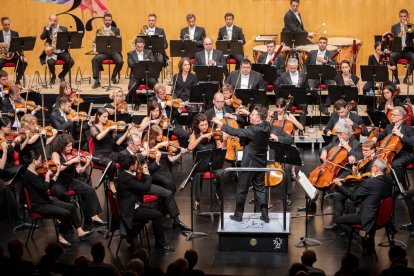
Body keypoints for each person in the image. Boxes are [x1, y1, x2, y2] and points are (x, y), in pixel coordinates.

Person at [21, 150, 93, 246]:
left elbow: (49, 186)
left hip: (46, 201)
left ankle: (80, 231)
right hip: (39, 206)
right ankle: (60, 235)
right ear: (34, 161)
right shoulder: (28, 175)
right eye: (40, 160)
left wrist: (56, 173)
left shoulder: (36, 172)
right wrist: (47, 176)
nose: (42, 162)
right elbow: (44, 189)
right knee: (65, 214)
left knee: (71, 207)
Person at [212, 106, 271, 222]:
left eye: (253, 115)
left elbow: (236, 131)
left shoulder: (253, 130)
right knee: (260, 189)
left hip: (249, 164)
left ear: (258, 119)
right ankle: (265, 215)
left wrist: (220, 123)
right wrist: (249, 112)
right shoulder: (267, 125)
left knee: (242, 189)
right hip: (261, 163)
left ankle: (238, 215)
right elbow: (256, 122)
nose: (250, 116)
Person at [120, 134, 190, 231]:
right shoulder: (123, 154)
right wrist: (141, 156)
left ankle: (176, 221)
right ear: (130, 144)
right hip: (133, 187)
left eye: (140, 144)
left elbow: (147, 170)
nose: (140, 147)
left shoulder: (137, 153)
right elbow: (128, 170)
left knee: (168, 192)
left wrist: (156, 161)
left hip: (144, 182)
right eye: (138, 145)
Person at [333, 158, 393, 255]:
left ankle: (363, 241)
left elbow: (353, 197)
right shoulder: (389, 182)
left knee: (339, 220)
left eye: (372, 166)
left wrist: (340, 185)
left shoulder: (369, 182)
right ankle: (369, 242)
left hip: (369, 217)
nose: (371, 168)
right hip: (382, 217)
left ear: (376, 169)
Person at [116, 154, 174, 251]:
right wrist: (146, 173)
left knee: (152, 211)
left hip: (132, 205)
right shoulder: (127, 179)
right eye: (135, 164)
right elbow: (146, 187)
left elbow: (139, 180)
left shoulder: (123, 173)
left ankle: (130, 237)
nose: (137, 165)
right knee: (157, 215)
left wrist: (142, 172)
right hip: (130, 211)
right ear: (131, 167)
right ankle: (160, 244)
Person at [50, 133, 106, 226]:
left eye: (71, 145)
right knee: (65, 196)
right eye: (68, 146)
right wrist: (72, 161)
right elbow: (57, 169)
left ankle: (93, 216)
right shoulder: (55, 154)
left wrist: (87, 164)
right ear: (61, 146)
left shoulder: (72, 154)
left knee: (89, 190)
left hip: (70, 181)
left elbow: (79, 171)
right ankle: (68, 222)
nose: (71, 148)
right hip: (59, 182)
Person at [188, 113, 225, 211]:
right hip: (200, 163)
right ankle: (197, 201)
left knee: (220, 173)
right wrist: (201, 137)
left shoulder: (213, 134)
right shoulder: (194, 135)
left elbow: (220, 148)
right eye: (202, 125)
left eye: (206, 124)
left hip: (212, 162)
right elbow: (190, 148)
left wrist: (222, 140)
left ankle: (218, 194)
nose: (204, 127)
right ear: (197, 126)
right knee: (198, 175)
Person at [90, 107, 132, 193]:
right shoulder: (93, 128)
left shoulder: (109, 127)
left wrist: (127, 131)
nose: (107, 119)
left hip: (109, 152)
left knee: (125, 158)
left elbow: (118, 142)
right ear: (98, 116)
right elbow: (98, 137)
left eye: (107, 117)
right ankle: (111, 182)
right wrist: (109, 129)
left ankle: (125, 180)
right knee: (111, 163)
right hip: (98, 154)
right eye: (104, 117)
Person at [373, 106, 414, 189]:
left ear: (401, 116)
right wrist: (374, 138)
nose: (391, 116)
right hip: (391, 152)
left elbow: (412, 142)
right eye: (391, 115)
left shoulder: (408, 128)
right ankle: (383, 184)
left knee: (396, 164)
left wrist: (401, 135)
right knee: (376, 160)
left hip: (405, 154)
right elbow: (381, 134)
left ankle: (402, 187)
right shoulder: (389, 126)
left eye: (394, 115)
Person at [304, 37, 336, 114]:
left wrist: (324, 62)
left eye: (324, 43)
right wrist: (306, 71)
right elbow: (305, 63)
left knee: (333, 86)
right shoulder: (312, 53)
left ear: (326, 44)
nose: (322, 44)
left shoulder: (331, 54)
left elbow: (333, 66)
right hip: (314, 75)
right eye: (320, 42)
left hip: (326, 75)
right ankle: (321, 103)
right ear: (318, 43)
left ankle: (327, 103)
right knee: (311, 87)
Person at [40, 14, 74, 84]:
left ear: (57, 21)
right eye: (51, 20)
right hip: (52, 52)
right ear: (49, 21)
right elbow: (42, 37)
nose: (53, 22)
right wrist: (47, 27)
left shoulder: (64, 29)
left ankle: (62, 75)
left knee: (71, 61)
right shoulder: (47, 29)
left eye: (54, 21)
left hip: (62, 51)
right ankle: (53, 76)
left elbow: (67, 40)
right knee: (50, 62)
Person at [92, 13, 123, 88]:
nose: (107, 22)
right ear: (104, 20)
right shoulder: (99, 30)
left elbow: (119, 41)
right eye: (106, 20)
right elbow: (96, 42)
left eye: (109, 20)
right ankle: (96, 81)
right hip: (104, 52)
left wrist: (114, 36)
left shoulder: (116, 30)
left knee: (120, 61)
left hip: (113, 52)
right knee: (95, 60)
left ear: (111, 21)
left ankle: (113, 76)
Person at [276, 58, 308, 129]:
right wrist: (286, 95)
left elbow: (307, 88)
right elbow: (279, 89)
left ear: (297, 66)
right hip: (288, 99)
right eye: (291, 68)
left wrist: (302, 92)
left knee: (304, 106)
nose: (293, 70)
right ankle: (288, 126)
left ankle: (301, 128)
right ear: (288, 66)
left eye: (294, 68)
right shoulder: (283, 76)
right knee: (286, 106)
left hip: (300, 98)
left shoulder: (303, 75)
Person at [126, 37, 156, 104]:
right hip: (136, 75)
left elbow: (153, 62)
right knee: (130, 87)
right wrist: (143, 64)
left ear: (144, 45)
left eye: (141, 47)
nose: (140, 49)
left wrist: (149, 62)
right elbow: (130, 64)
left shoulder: (149, 52)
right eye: (138, 47)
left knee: (156, 86)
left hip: (148, 75)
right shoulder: (130, 54)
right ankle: (137, 102)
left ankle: (154, 103)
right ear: (135, 45)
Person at [0, 17, 27, 85]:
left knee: (23, 62)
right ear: (2, 24)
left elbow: (19, 46)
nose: (7, 26)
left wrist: (22, 56)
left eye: (8, 24)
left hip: (13, 54)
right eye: (5, 25)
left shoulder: (15, 33)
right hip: (2, 55)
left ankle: (18, 79)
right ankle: (1, 81)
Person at [390, 9, 414, 85]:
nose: (403, 18)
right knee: (391, 56)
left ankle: (407, 78)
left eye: (404, 16)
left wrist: (408, 27)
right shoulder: (394, 27)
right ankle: (396, 79)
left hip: (408, 50)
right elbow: (393, 39)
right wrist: (399, 35)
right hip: (398, 50)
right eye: (401, 16)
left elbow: (413, 36)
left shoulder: (410, 26)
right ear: (399, 17)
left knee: (413, 57)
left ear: (407, 17)